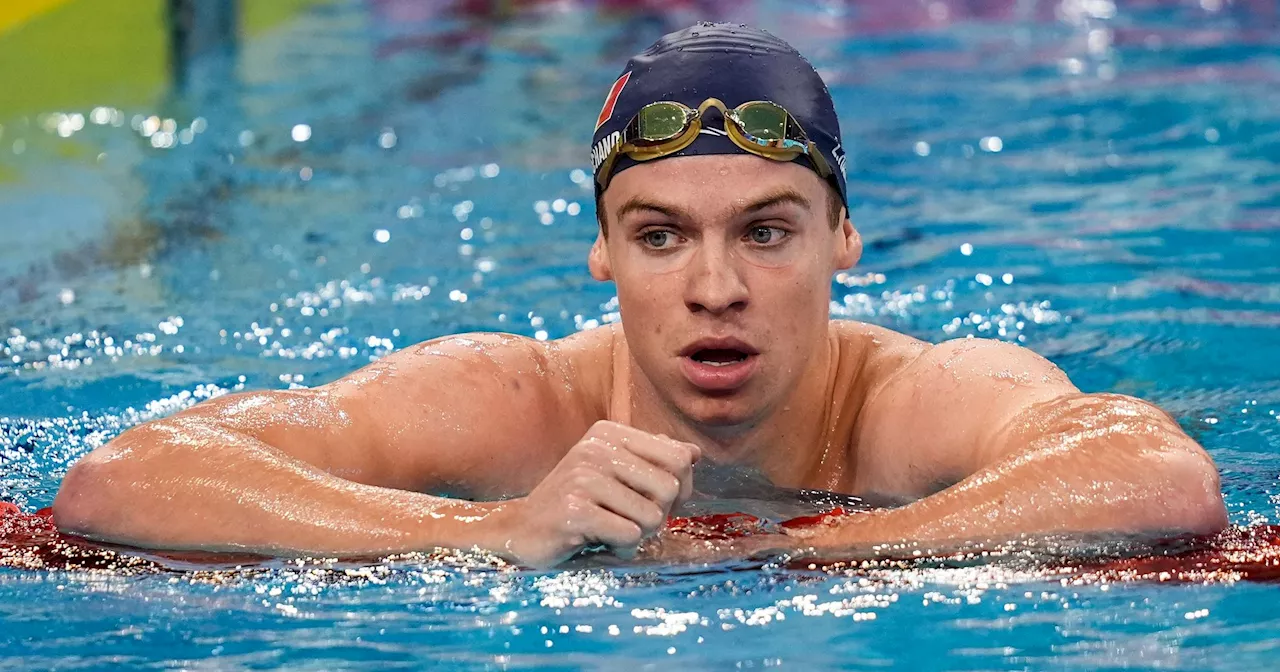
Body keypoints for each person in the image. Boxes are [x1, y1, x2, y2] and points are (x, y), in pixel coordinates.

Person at [52, 23, 1226, 568]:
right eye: (660, 237)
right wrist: (489, 529)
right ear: (602, 256)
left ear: (844, 242)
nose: (714, 289)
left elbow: (1158, 476)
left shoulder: (919, 400)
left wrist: (832, 547)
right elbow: (123, 479)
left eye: (766, 232)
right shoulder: (512, 400)